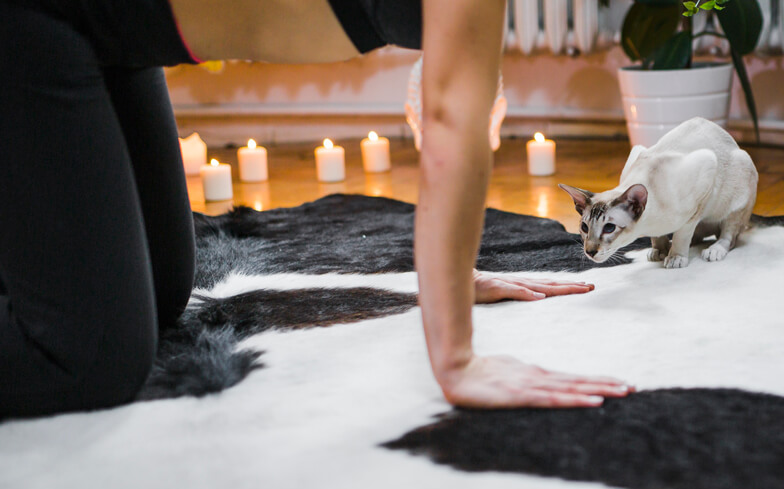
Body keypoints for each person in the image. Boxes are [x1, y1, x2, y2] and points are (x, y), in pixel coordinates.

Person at [0, 0, 633, 418]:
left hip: (113, 31)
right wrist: (457, 358)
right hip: (34, 18)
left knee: (165, 293)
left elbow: (448, 98)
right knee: (89, 360)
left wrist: (452, 278)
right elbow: (448, 122)